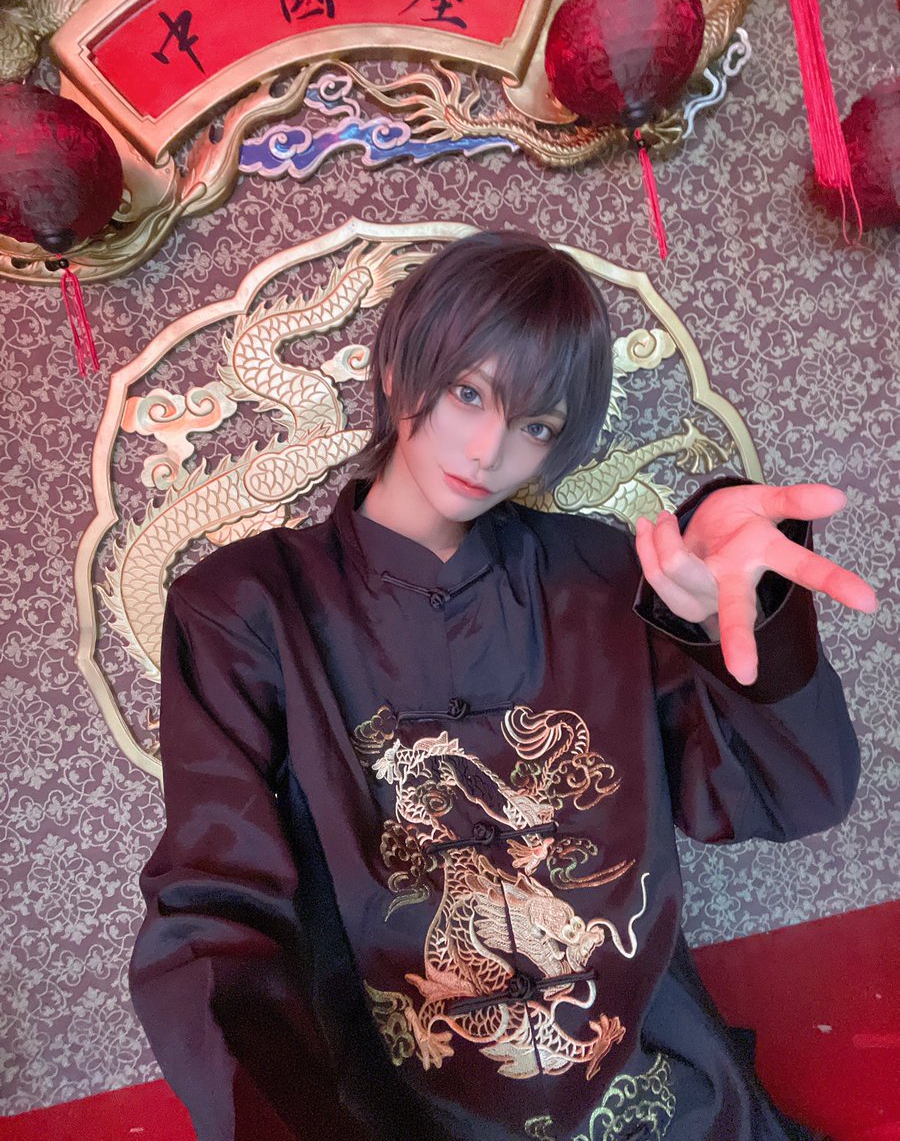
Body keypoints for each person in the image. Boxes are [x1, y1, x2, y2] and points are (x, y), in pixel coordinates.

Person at [130, 231, 877, 1141]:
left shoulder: (608, 577)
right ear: (399, 370)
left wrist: (739, 625)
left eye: (536, 426)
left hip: (661, 1093)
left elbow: (791, 797)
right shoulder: (243, 608)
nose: (489, 450)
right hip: (392, 1105)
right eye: (468, 393)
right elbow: (219, 910)